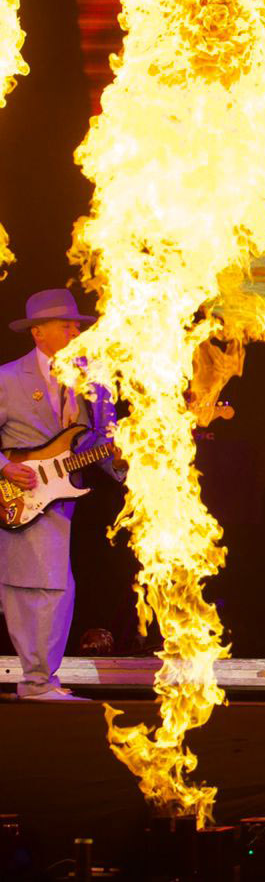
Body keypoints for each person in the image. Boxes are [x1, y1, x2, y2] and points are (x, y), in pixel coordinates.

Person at [0, 288, 120, 702]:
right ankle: (38, 682)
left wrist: (124, 458)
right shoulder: (8, 378)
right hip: (21, 495)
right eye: (65, 325)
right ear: (38, 332)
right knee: (35, 588)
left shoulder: (93, 379)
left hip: (67, 499)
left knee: (53, 588)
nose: (74, 331)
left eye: (76, 325)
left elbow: (99, 442)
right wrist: (5, 467)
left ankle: (40, 681)